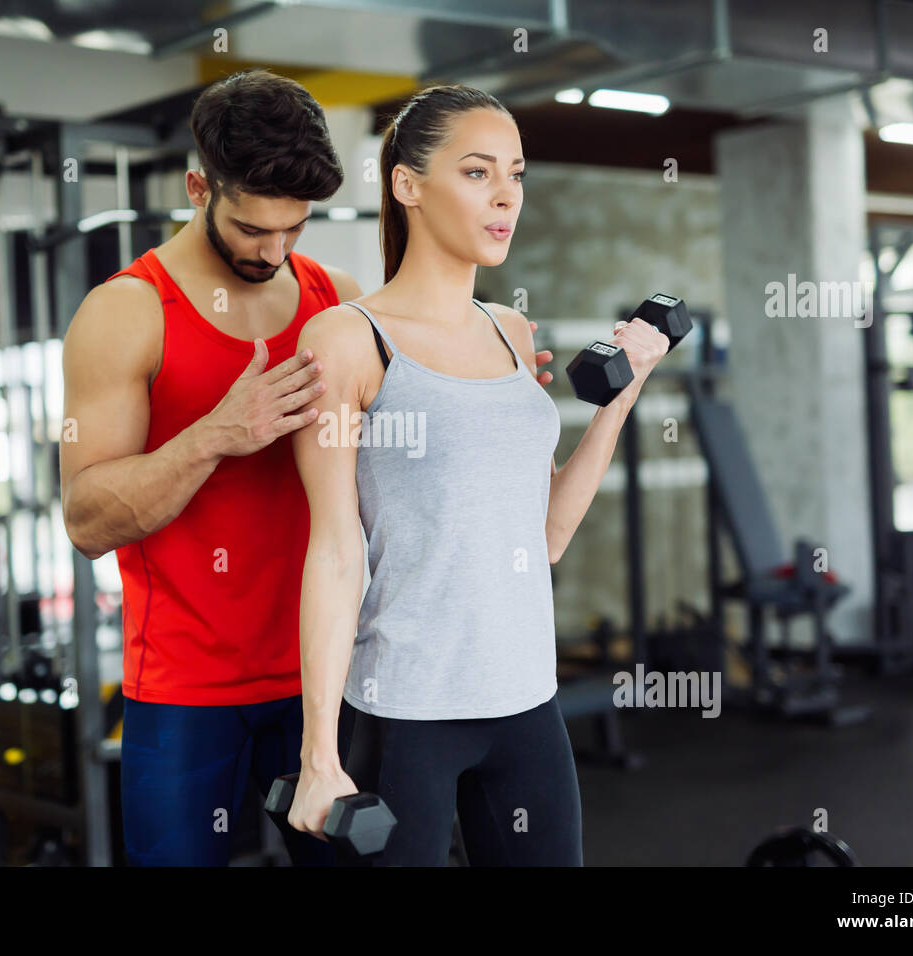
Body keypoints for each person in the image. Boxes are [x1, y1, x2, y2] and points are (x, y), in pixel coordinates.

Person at [60, 69, 557, 866]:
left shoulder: (338, 302)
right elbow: (86, 521)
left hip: (331, 679)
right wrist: (215, 434)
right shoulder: (126, 312)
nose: (276, 250)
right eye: (255, 229)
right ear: (197, 187)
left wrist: (481, 391)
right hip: (190, 691)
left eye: (295, 227)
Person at [288, 84, 670, 865]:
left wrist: (622, 396)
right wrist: (318, 755)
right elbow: (333, 552)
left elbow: (549, 534)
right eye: (476, 173)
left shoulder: (510, 329)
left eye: (517, 174)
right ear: (406, 184)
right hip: (406, 712)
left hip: (527, 703)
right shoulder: (346, 340)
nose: (506, 197)